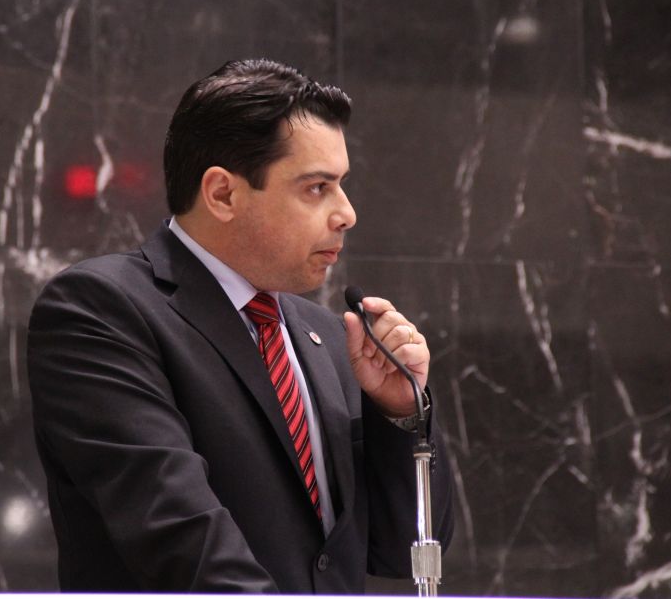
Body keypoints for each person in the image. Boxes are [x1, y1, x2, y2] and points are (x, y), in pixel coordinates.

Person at [26, 59, 454, 593]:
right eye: (317, 187)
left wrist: (399, 414)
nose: (347, 213)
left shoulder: (330, 336)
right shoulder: (101, 309)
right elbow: (181, 540)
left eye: (341, 185)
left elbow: (404, 549)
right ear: (223, 194)